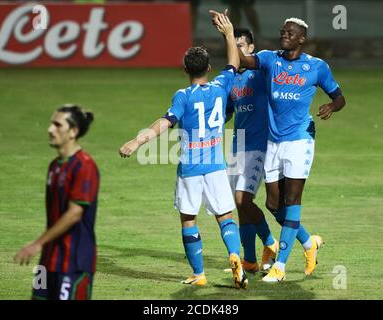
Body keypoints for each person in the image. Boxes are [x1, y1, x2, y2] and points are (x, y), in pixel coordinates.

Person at [212, 12, 346, 282]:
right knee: (273, 204)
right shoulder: (270, 60)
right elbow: (242, 63)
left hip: (298, 139)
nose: (283, 34)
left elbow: (339, 96)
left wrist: (331, 106)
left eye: (289, 32)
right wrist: (227, 35)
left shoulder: (317, 66)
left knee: (290, 200)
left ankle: (280, 266)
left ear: (302, 38)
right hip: (272, 142)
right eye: (282, 31)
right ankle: (308, 243)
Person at [119, 15, 248, 289]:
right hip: (216, 165)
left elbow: (164, 123)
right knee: (225, 217)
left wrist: (136, 141)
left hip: (190, 168)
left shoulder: (183, 96)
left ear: (185, 70)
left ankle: (199, 274)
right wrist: (228, 33)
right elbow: (234, 63)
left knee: (189, 219)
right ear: (209, 68)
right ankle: (235, 255)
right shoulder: (221, 86)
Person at [14, 105, 99, 299]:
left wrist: (37, 243)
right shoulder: (54, 166)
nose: (50, 129)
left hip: (74, 262)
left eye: (57, 125)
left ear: (73, 132)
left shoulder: (84, 166)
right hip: (48, 259)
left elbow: (74, 213)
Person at [225, 27, 278, 274]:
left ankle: (270, 243)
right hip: (237, 146)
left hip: (259, 146)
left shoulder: (261, 73)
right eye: (233, 46)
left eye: (241, 46)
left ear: (251, 48)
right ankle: (249, 261)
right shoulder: (232, 79)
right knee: (241, 207)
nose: (237, 51)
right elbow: (226, 113)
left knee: (242, 199)